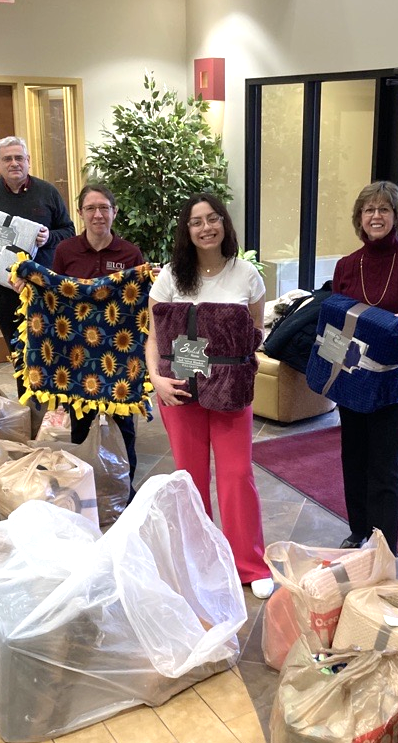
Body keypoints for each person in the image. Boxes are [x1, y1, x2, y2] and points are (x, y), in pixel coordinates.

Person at [145, 193, 274, 599]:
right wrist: (156, 380)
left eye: (212, 218)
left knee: (237, 475)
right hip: (180, 388)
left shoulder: (246, 275)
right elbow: (153, 336)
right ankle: (199, 561)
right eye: (196, 221)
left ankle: (249, 565)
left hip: (231, 392)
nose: (205, 227)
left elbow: (253, 334)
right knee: (190, 476)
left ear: (224, 224)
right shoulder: (169, 276)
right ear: (187, 229)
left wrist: (232, 369)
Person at [331, 181, 398, 556]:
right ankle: (358, 529)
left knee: (384, 463)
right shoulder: (347, 265)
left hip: (393, 378)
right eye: (368, 210)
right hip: (351, 374)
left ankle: (382, 545)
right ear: (359, 219)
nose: (375, 216)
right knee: (353, 456)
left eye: (384, 210)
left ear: (396, 217)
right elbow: (336, 319)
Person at [0, 136, 75, 396]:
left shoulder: (47, 192)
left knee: (48, 348)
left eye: (19, 158)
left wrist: (49, 237)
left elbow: (69, 230)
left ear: (28, 161)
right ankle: (27, 404)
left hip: (43, 286)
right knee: (17, 348)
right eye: (8, 159)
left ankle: (53, 405)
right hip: (4, 289)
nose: (14, 163)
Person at [51, 184, 144, 499]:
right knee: (81, 424)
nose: (98, 214)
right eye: (90, 208)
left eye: (104, 207)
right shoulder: (65, 252)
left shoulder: (130, 254)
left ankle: (124, 488)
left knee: (123, 424)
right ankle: (84, 490)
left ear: (114, 212)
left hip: (119, 356)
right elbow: (54, 298)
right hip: (78, 356)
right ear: (80, 213)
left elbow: (140, 304)